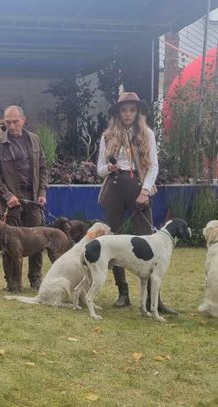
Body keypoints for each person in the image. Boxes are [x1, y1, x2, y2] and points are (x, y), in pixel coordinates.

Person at [97, 91, 176, 314]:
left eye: (132, 110)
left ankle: (154, 299)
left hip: (139, 188)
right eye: (124, 110)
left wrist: (145, 191)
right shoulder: (107, 136)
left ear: (138, 112)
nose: (128, 114)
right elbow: (99, 170)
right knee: (114, 238)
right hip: (114, 188)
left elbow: (154, 166)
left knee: (149, 238)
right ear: (118, 113)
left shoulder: (147, 133)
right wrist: (109, 167)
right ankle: (123, 293)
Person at [0, 105, 48, 291]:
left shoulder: (34, 140)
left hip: (32, 198)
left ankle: (35, 278)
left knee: (37, 239)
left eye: (15, 121)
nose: (12, 126)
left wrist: (42, 192)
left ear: (24, 120)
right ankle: (12, 281)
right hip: (10, 202)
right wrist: (7, 196)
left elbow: (43, 168)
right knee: (9, 243)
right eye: (8, 122)